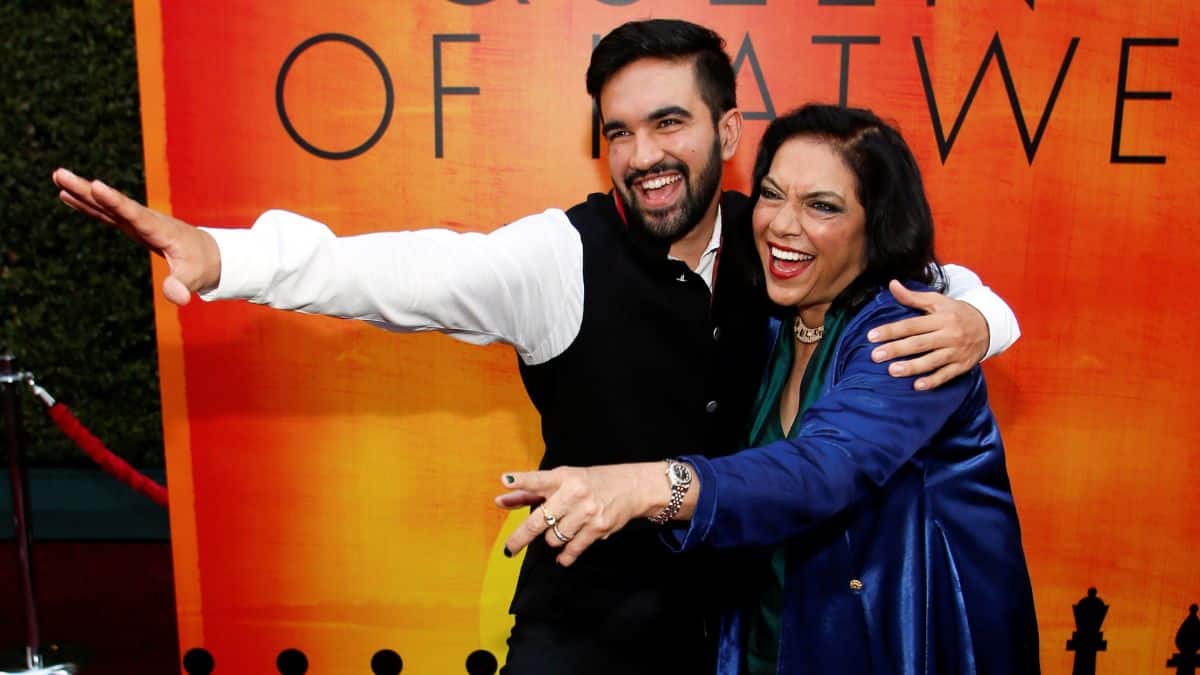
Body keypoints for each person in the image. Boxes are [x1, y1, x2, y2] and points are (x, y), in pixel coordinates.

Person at [52, 20, 1021, 675]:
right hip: (586, 640)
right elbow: (391, 273)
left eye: (670, 123)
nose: (643, 155)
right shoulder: (556, 258)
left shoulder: (778, 247)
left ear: (727, 130)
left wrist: (981, 316)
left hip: (737, 643)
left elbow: (903, 285)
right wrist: (225, 255)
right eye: (619, 131)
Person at [498, 104, 1039, 674]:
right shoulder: (769, 316)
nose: (783, 224)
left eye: (822, 206)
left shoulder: (908, 334)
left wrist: (645, 486)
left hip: (892, 648)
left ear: (876, 224)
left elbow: (823, 469)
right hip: (766, 639)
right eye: (773, 195)